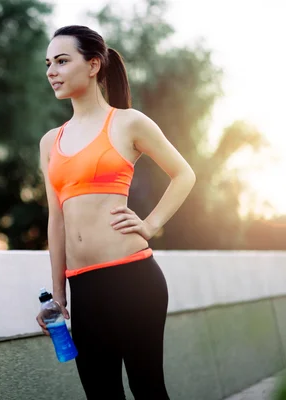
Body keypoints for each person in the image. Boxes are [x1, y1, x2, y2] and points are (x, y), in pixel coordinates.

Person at [35, 25, 196, 399]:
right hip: (83, 287)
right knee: (101, 393)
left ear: (93, 65)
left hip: (133, 279)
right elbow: (55, 220)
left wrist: (151, 223)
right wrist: (58, 294)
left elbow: (184, 174)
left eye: (62, 61)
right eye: (48, 64)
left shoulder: (127, 122)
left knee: (148, 388)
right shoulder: (49, 142)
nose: (51, 72)